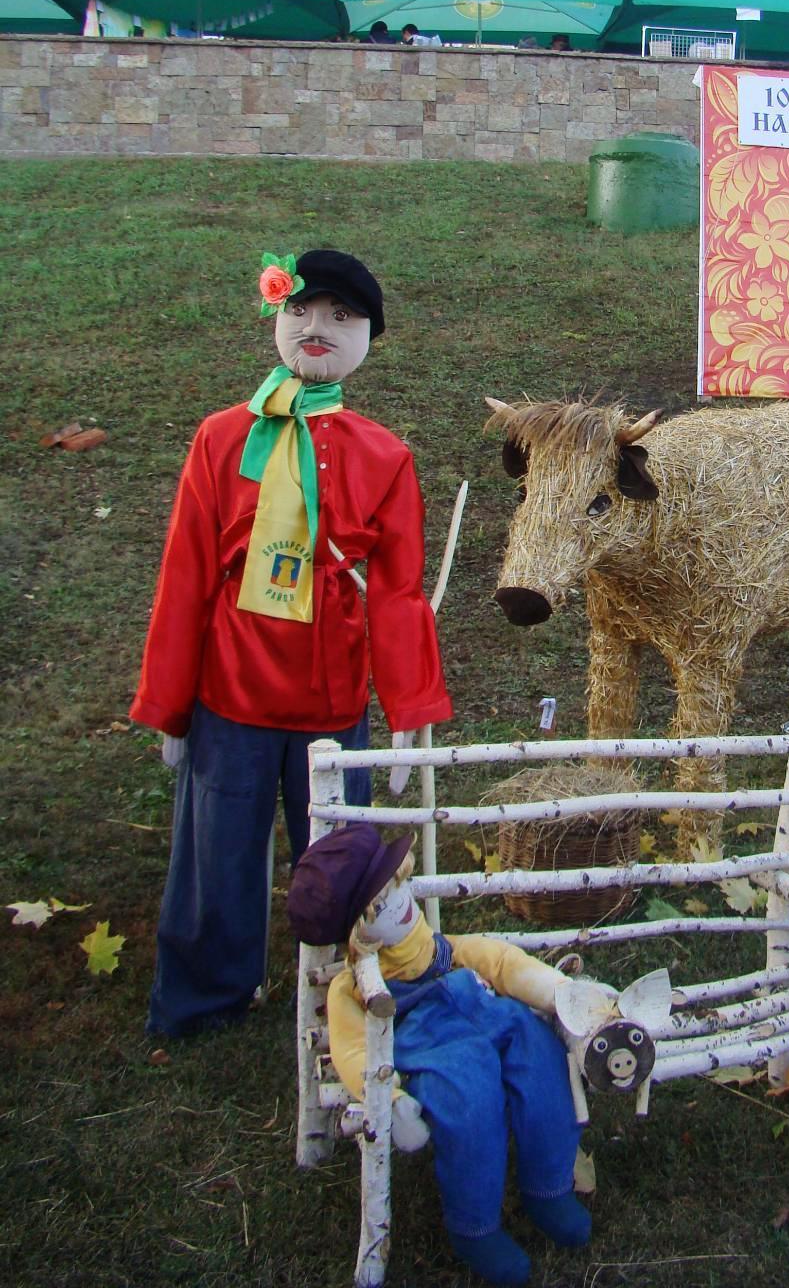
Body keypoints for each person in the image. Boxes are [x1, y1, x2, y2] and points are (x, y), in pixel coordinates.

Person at [132, 249, 451, 1039]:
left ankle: (352, 987)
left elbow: (401, 594)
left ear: (368, 338)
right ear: (277, 317)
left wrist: (408, 706)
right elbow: (186, 575)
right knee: (216, 855)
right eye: (303, 310)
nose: (318, 329)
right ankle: (207, 995)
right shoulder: (219, 440)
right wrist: (173, 707)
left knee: (343, 861)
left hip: (331, 701)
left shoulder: (386, 456)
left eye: (343, 317)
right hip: (228, 697)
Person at [289, 824, 590, 1287]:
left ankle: (548, 1187)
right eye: (383, 903)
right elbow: (352, 1049)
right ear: (357, 930)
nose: (401, 902)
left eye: (399, 885)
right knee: (467, 1100)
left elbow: (503, 962)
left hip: (484, 1013)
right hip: (428, 1043)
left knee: (540, 1054)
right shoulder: (352, 990)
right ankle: (475, 1227)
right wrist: (389, 1100)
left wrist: (560, 992)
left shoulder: (443, 949)